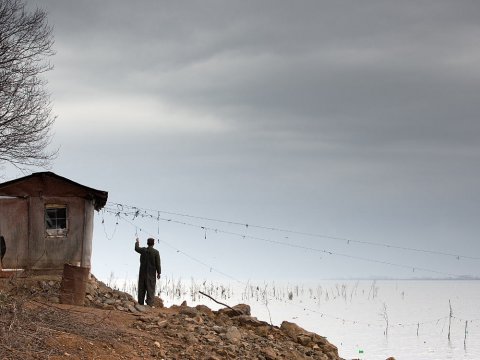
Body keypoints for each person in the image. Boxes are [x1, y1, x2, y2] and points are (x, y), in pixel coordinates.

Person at [134, 237, 161, 306]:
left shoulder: (143, 250)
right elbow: (158, 263)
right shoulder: (156, 252)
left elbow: (136, 248)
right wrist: (159, 273)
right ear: (153, 244)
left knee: (141, 289)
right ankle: (150, 304)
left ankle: (140, 304)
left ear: (147, 243)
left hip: (142, 273)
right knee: (150, 289)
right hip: (151, 274)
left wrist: (137, 242)